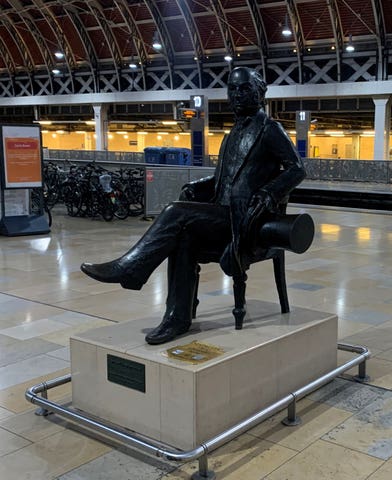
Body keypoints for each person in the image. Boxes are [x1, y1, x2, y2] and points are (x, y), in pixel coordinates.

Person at [80, 67, 306, 345]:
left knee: (176, 212)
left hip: (247, 220)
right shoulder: (232, 133)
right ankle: (178, 316)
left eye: (244, 88)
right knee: (182, 237)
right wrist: (198, 185)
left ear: (259, 92)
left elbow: (297, 169)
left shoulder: (270, 129)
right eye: (232, 89)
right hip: (222, 214)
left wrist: (270, 193)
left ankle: (132, 268)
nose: (236, 94)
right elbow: (224, 177)